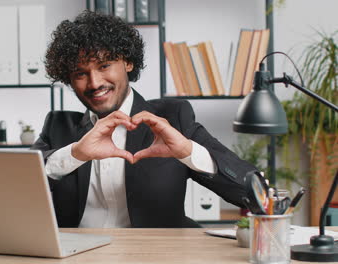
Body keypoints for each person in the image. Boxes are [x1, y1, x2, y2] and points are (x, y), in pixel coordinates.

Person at [31, 10, 257, 228]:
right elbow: (10, 192)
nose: (94, 83)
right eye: (80, 73)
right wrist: (74, 154)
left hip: (152, 253)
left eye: (104, 66)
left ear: (127, 63)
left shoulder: (173, 118)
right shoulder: (58, 126)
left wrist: (188, 151)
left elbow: (254, 194)